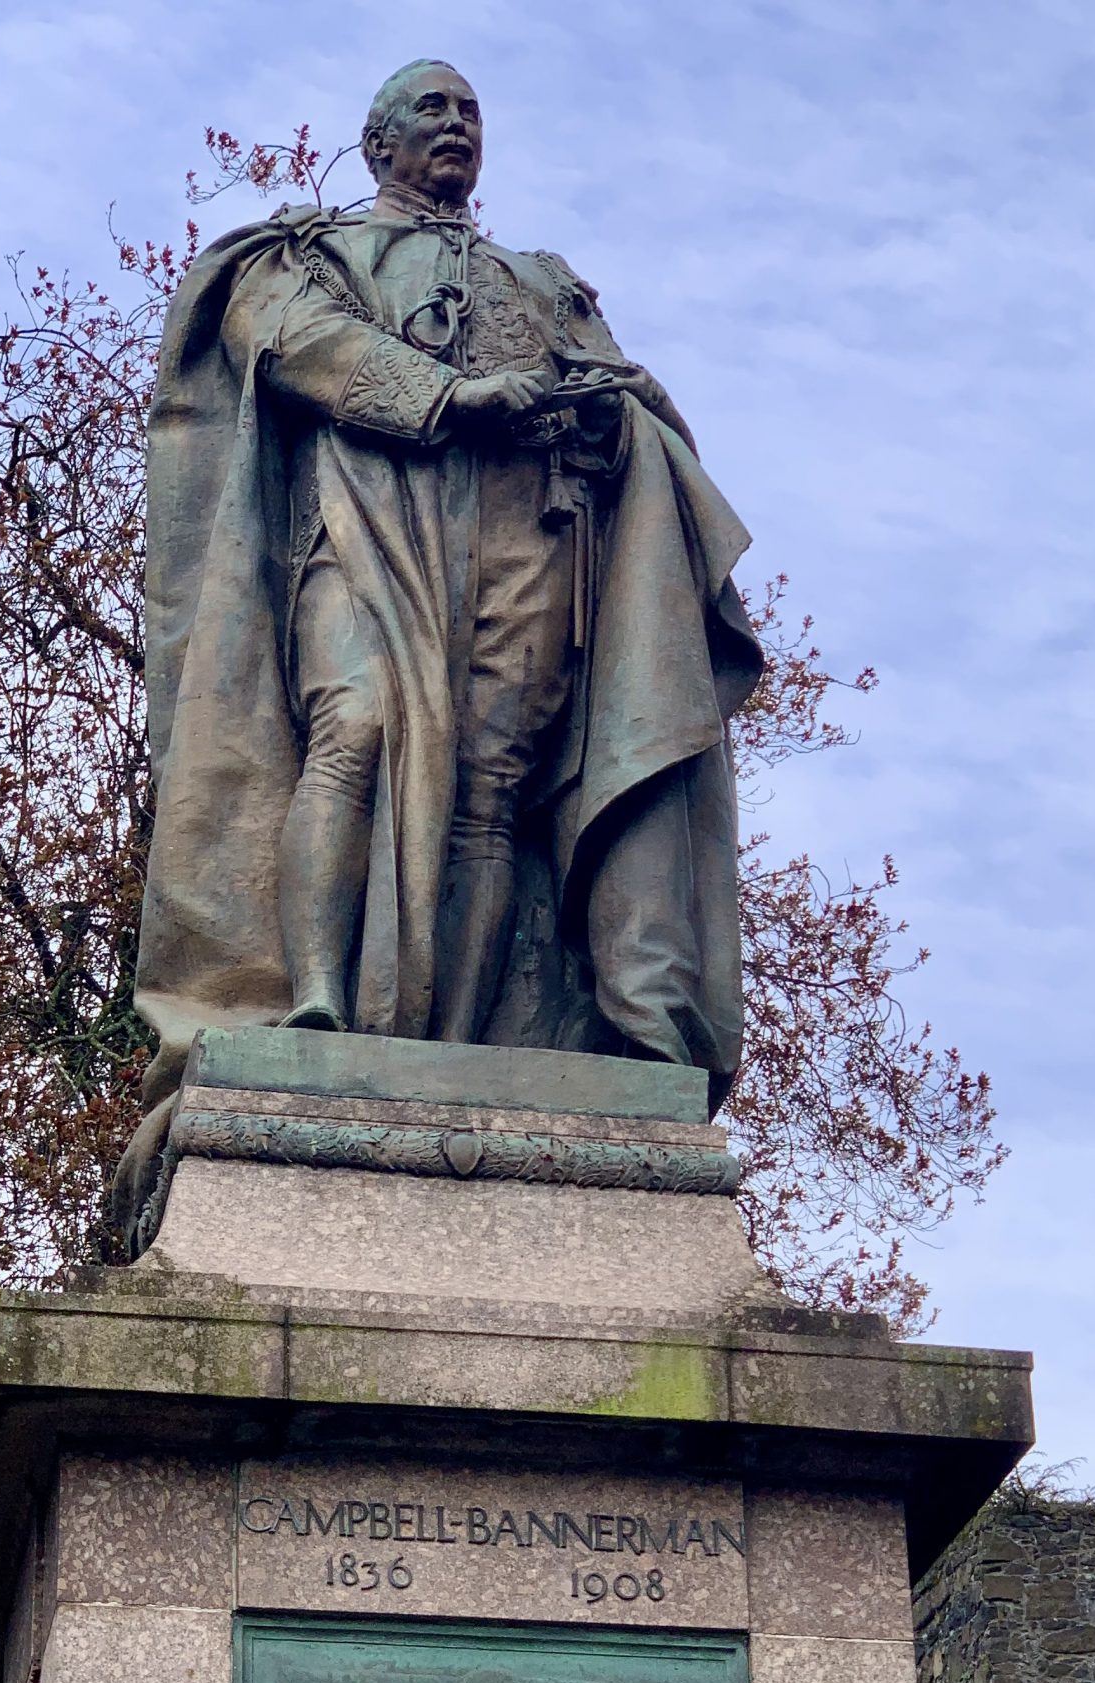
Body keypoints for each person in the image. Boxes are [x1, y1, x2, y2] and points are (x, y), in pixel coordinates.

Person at [115, 62, 765, 1235]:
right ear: (377, 145)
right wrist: (451, 399)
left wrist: (607, 418)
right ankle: (319, 1003)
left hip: (531, 532)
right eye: (433, 109)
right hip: (367, 520)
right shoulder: (310, 251)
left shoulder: (542, 281)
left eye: (470, 112)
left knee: (492, 791)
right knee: (353, 727)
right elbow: (294, 342)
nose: (457, 126)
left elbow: (631, 395)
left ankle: (454, 1050)